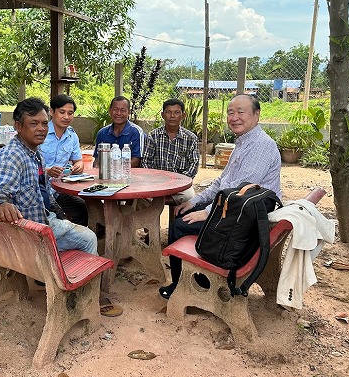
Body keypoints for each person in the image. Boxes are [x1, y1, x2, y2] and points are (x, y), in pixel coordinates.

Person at [159, 94, 282, 299]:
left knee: (180, 225)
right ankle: (194, 281)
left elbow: (239, 192)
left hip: (244, 220)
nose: (234, 117)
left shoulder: (261, 146)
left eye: (240, 112)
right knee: (186, 213)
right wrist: (196, 201)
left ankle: (185, 287)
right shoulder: (244, 143)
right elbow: (222, 183)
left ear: (256, 114)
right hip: (237, 211)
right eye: (230, 112)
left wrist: (207, 213)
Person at [0, 97, 97, 255]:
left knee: (80, 211)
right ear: (18, 126)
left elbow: (42, 190)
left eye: (44, 123)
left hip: (45, 214)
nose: (41, 129)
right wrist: (1, 204)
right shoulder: (12, 156)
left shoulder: (35, 153)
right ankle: (65, 277)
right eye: (33, 123)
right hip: (32, 229)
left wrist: (59, 215)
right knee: (89, 238)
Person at [41, 94, 88, 226]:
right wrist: (48, 171)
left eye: (70, 113)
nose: (66, 117)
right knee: (57, 218)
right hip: (39, 190)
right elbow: (28, 166)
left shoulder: (72, 136)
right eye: (62, 112)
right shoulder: (40, 132)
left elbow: (78, 160)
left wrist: (78, 166)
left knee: (83, 208)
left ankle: (80, 241)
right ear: (51, 112)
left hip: (60, 190)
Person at [141, 98, 199, 204]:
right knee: (141, 198)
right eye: (168, 112)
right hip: (155, 183)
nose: (172, 116)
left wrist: (177, 182)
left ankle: (177, 221)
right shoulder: (153, 136)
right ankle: (151, 221)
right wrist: (156, 180)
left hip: (180, 184)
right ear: (163, 115)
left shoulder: (191, 138)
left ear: (183, 115)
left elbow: (193, 165)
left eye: (177, 112)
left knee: (189, 197)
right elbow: (146, 161)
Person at [93, 96, 146, 168]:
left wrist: (115, 170)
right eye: (115, 109)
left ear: (129, 112)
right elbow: (97, 159)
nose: (118, 113)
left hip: (130, 175)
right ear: (110, 110)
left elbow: (136, 161)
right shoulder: (102, 133)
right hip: (106, 175)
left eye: (123, 110)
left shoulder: (136, 132)